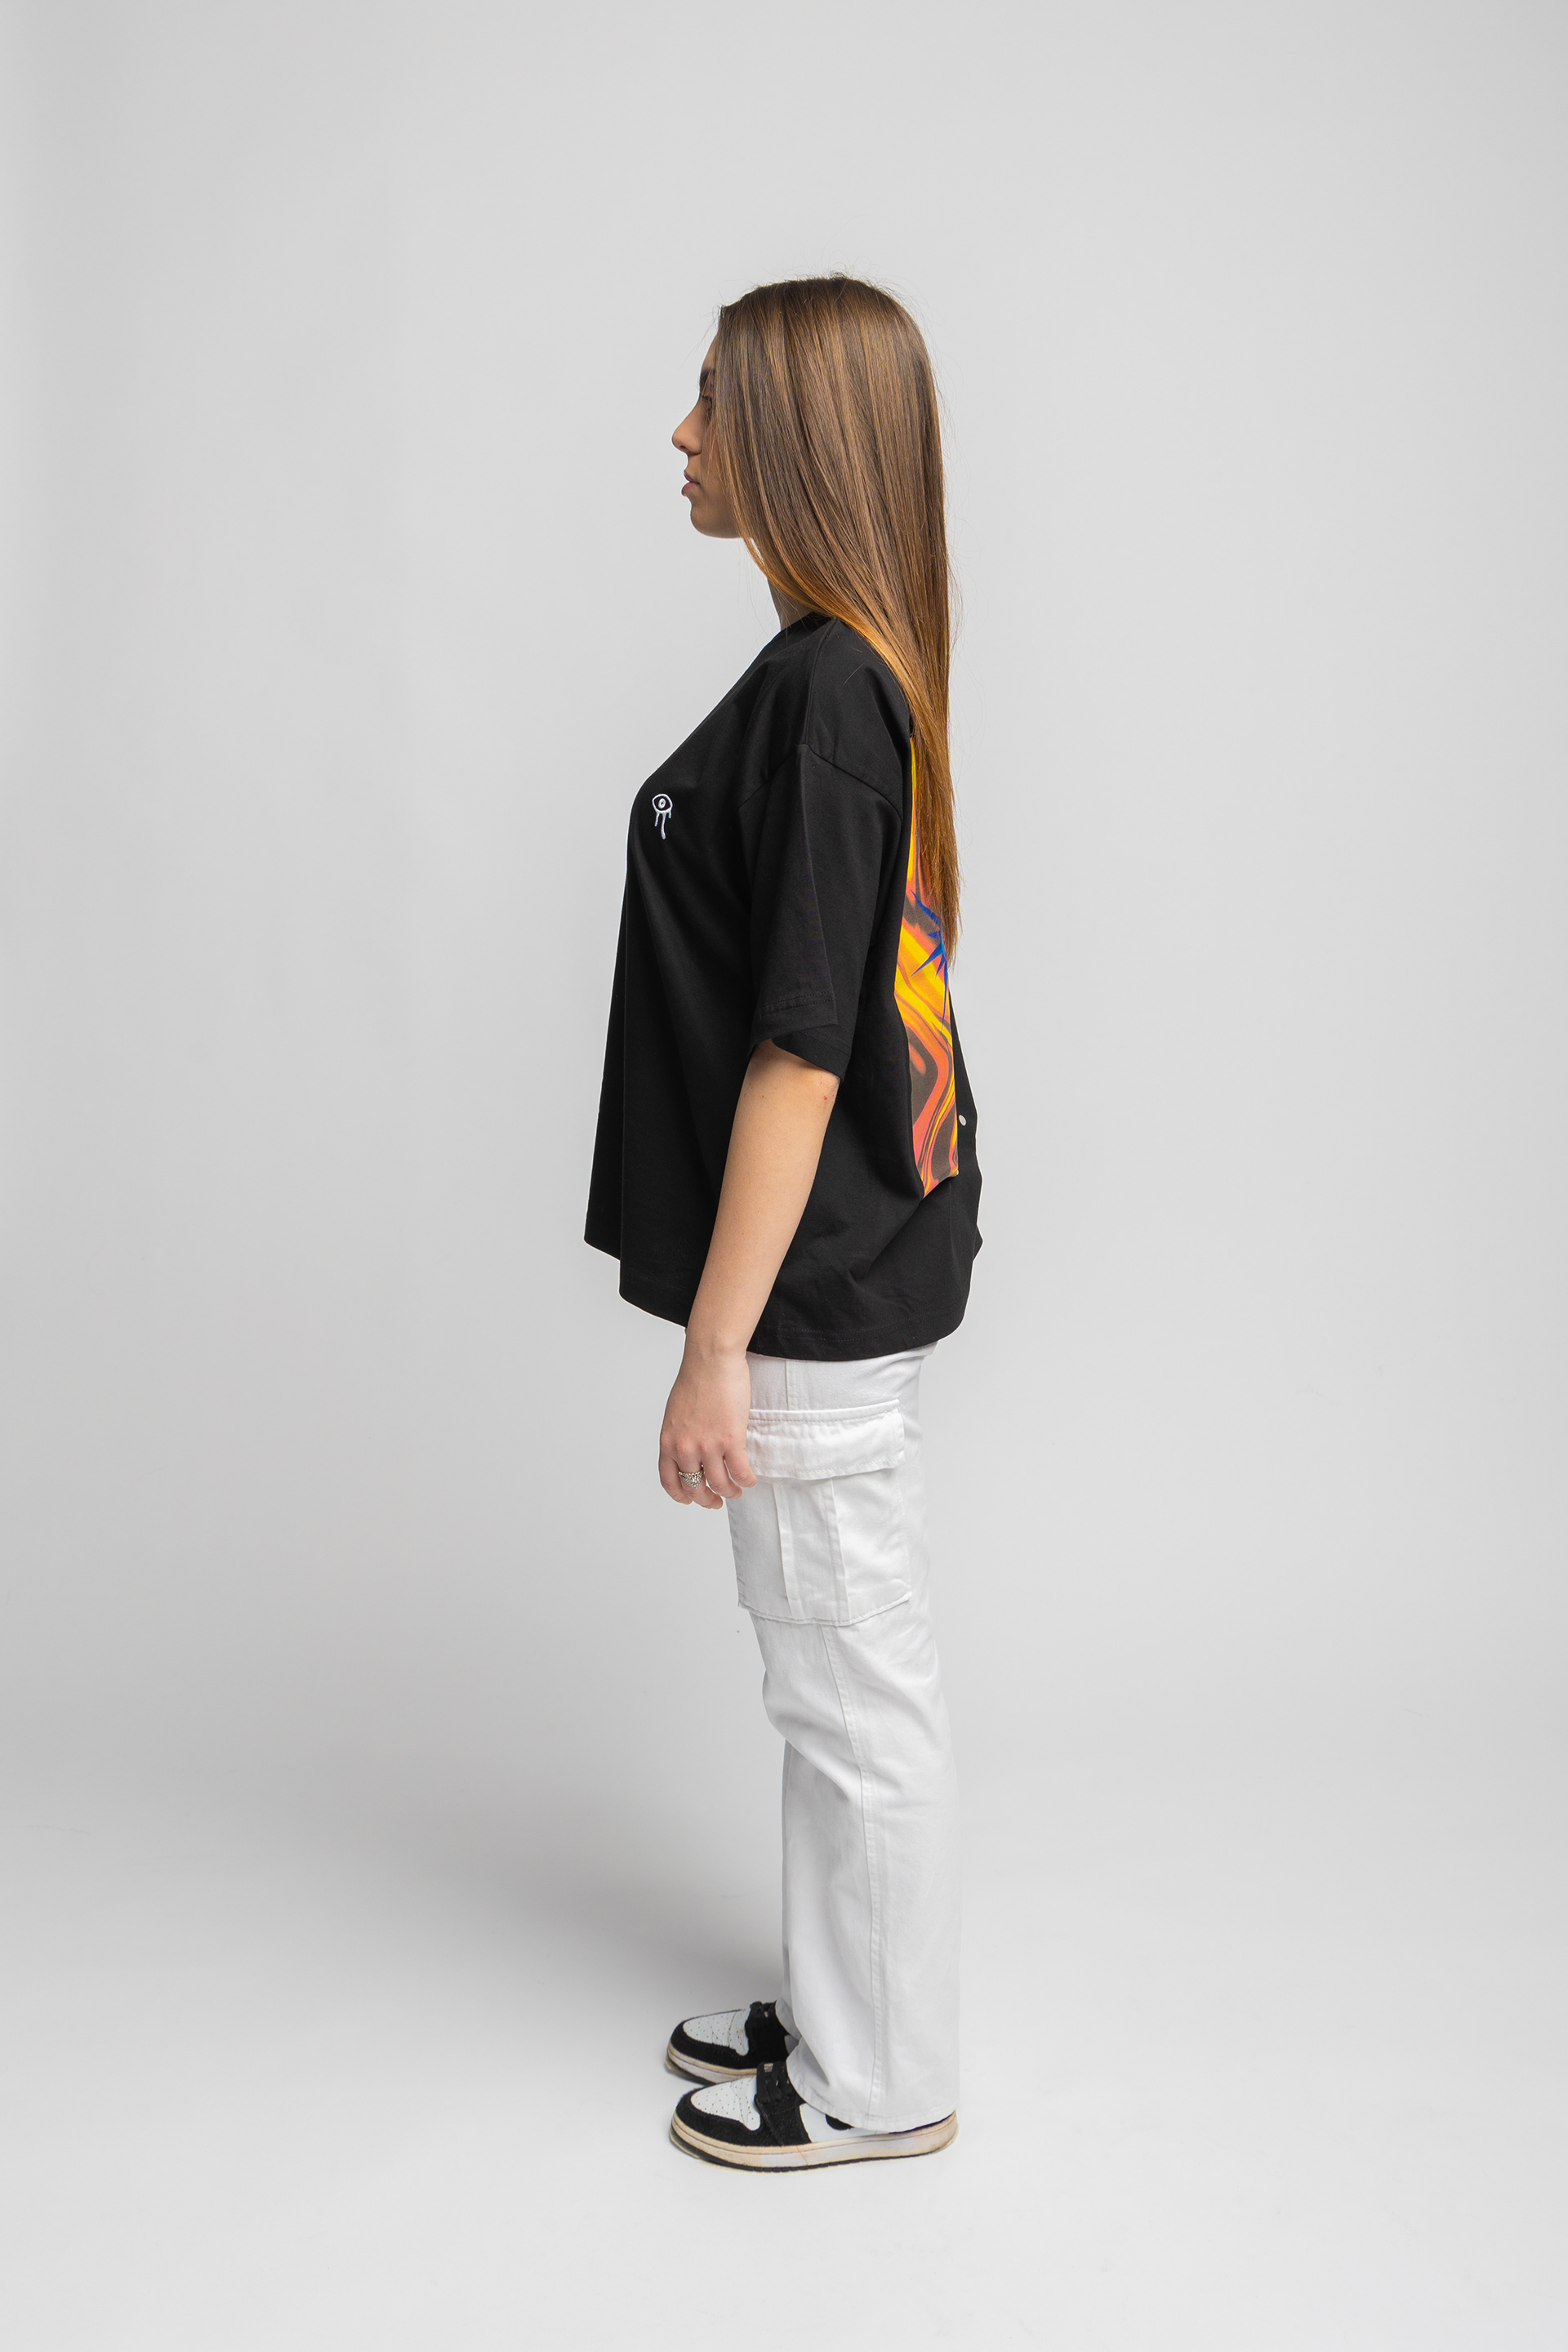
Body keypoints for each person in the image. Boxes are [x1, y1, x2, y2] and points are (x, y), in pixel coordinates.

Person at [585, 275, 982, 2170]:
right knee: (826, 1673)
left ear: (799, 441)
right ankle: (844, 2002)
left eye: (713, 403)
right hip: (830, 1269)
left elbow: (802, 1052)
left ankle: (879, 2081)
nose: (682, 436)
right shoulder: (836, 669)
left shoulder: (831, 690)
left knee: (847, 1689)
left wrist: (714, 1351)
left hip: (810, 1289)